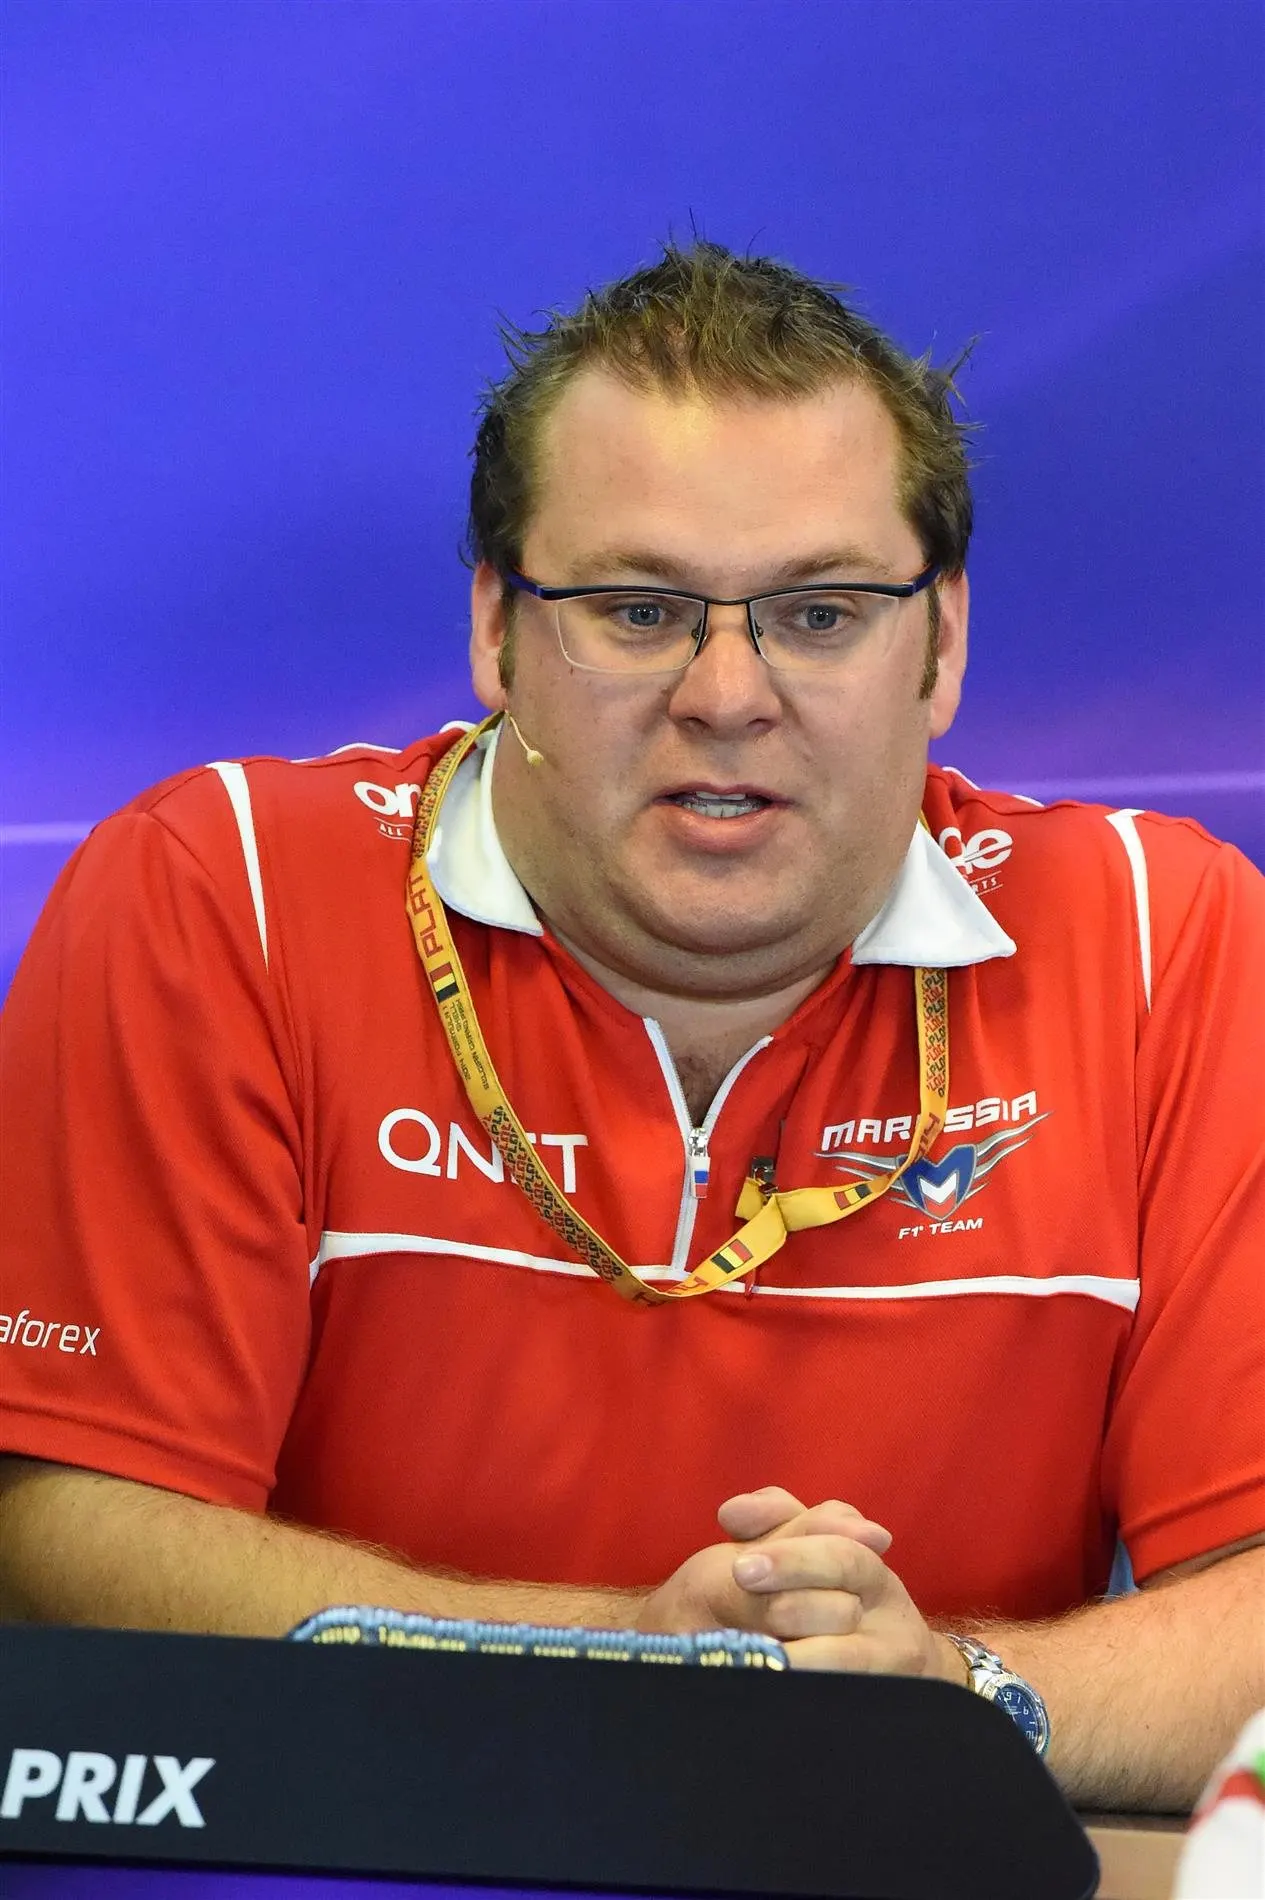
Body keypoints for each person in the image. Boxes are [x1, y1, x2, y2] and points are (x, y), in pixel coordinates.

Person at [0, 242, 1261, 1813]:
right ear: (494, 631)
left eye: (821, 611)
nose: (726, 693)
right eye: (639, 606)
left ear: (940, 645)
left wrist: (954, 1699)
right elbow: (64, 1536)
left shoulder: (1166, 937)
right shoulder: (221, 891)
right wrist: (632, 1680)